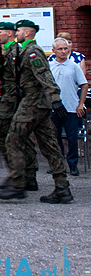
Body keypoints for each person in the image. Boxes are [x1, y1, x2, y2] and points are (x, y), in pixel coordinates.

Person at [0, 19, 73, 203]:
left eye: (19, 30)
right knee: (49, 145)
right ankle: (62, 187)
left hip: (34, 101)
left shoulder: (32, 52)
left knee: (13, 138)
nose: (16, 33)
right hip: (36, 101)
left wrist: (56, 98)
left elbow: (44, 74)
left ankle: (16, 183)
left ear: (27, 33)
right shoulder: (22, 50)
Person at [0, 22, 37, 191]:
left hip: (14, 99)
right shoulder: (9, 51)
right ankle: (27, 173)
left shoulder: (15, 51)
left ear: (9, 33)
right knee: (15, 136)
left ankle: (19, 174)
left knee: (6, 135)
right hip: (10, 98)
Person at [48, 38, 88, 177]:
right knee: (54, 137)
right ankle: (57, 164)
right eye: (60, 49)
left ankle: (73, 164)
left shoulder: (74, 66)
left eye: (66, 49)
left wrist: (80, 104)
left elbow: (84, 84)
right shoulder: (49, 66)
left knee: (72, 138)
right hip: (53, 107)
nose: (63, 51)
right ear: (54, 51)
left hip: (71, 107)